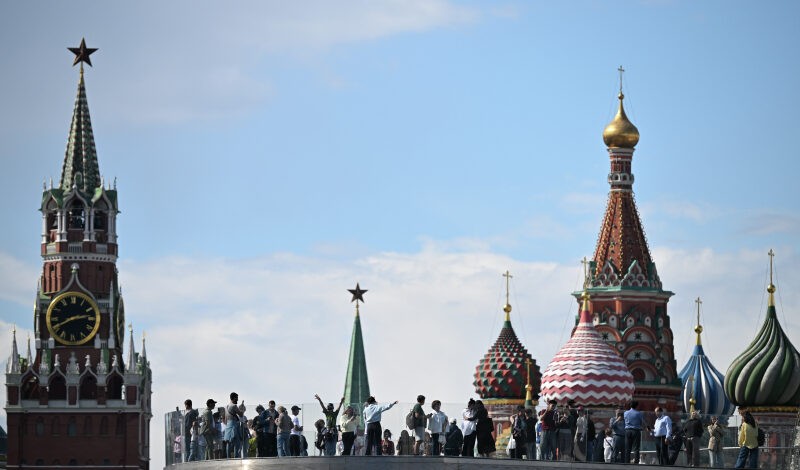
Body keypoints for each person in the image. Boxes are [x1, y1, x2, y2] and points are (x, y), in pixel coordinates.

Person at [225, 393, 246, 458]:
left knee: (229, 442)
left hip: (228, 424)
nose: (237, 399)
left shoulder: (226, 406)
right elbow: (241, 414)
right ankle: (236, 457)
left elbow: (225, 418)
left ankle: (228, 457)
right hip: (234, 425)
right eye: (236, 398)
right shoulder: (234, 406)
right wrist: (242, 408)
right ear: (234, 398)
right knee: (237, 442)